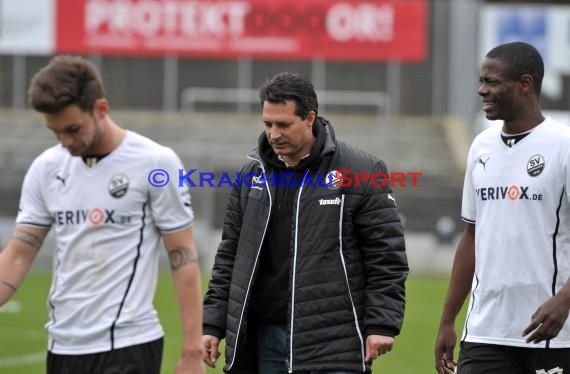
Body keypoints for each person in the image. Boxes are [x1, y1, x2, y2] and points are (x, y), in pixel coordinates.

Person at [0, 55, 205, 374]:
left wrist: (192, 351)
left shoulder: (156, 163)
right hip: (62, 345)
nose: (65, 142)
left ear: (100, 109)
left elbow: (182, 255)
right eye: (55, 133)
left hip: (128, 345)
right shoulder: (46, 168)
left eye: (72, 129)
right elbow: (19, 254)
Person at [201, 72, 408, 373]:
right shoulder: (250, 176)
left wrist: (382, 323)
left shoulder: (363, 170)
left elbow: (386, 257)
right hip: (265, 337)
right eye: (268, 124)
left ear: (309, 118)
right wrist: (213, 322)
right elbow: (231, 256)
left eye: (284, 124)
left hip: (334, 341)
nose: (274, 134)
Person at [435, 41, 570, 374]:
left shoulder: (563, 146)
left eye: (492, 82)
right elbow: (471, 236)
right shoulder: (481, 147)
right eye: (482, 81)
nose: (482, 90)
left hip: (552, 331)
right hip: (485, 331)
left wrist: (565, 299)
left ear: (525, 84)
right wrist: (448, 319)